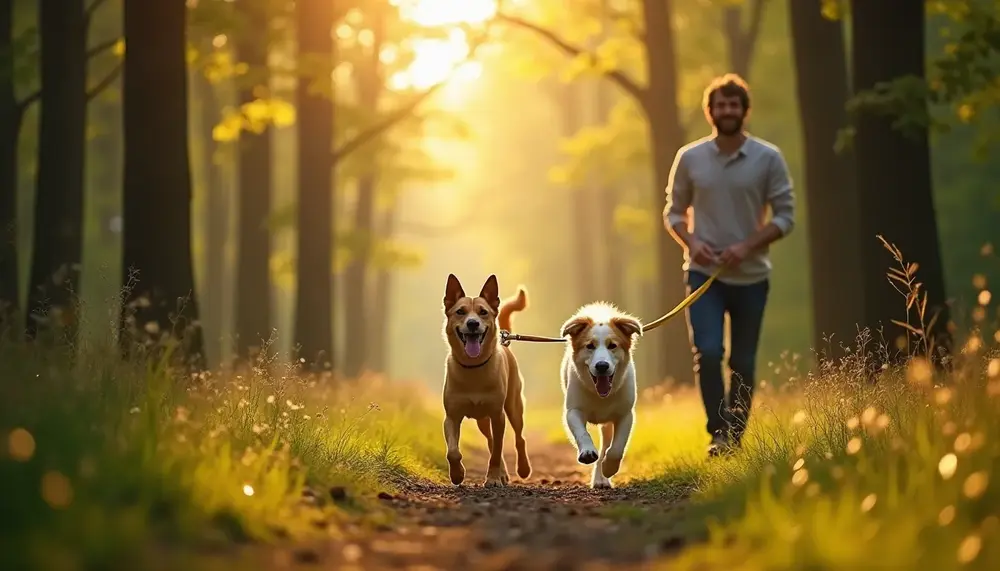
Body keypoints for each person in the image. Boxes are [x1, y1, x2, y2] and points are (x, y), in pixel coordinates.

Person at [662, 73, 796, 457]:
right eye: (720, 105)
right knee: (707, 351)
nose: (727, 111)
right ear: (710, 112)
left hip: (752, 277)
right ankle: (718, 433)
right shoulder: (689, 158)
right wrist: (692, 242)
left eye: (733, 105)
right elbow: (673, 214)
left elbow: (785, 217)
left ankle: (735, 436)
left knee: (743, 360)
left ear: (744, 110)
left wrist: (747, 245)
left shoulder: (768, 158)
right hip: (704, 275)